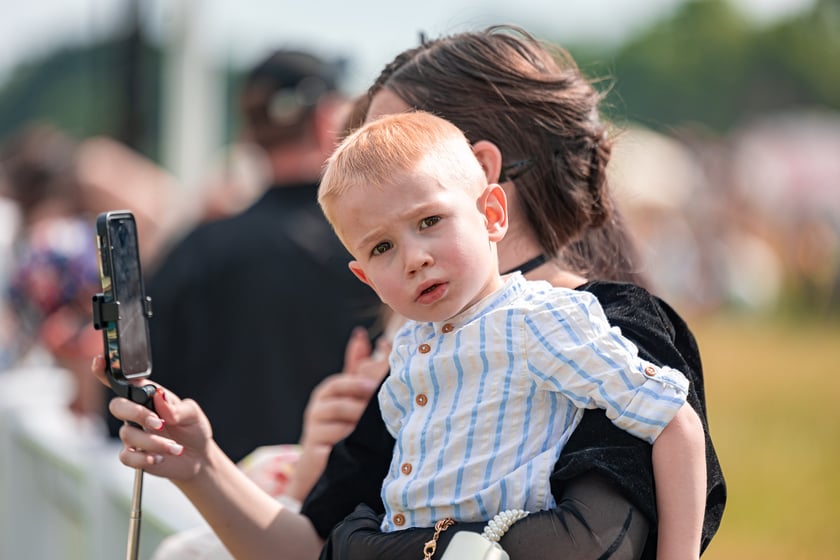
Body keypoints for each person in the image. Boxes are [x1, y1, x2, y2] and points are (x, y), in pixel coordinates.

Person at [94, 25, 725, 560]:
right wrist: (202, 463)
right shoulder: (416, 352)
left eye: (391, 143)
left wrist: (379, 543)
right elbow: (310, 547)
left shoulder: (603, 323)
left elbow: (584, 544)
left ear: (483, 175)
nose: (363, 164)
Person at [316, 109, 705, 557]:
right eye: (382, 247)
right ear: (366, 278)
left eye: (429, 221)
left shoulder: (539, 319)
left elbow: (674, 420)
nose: (414, 258)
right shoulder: (407, 354)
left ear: (492, 214)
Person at [126, 49, 381, 463]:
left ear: (251, 134)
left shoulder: (197, 249)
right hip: (344, 508)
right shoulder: (372, 246)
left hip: (217, 501)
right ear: (325, 122)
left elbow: (139, 391)